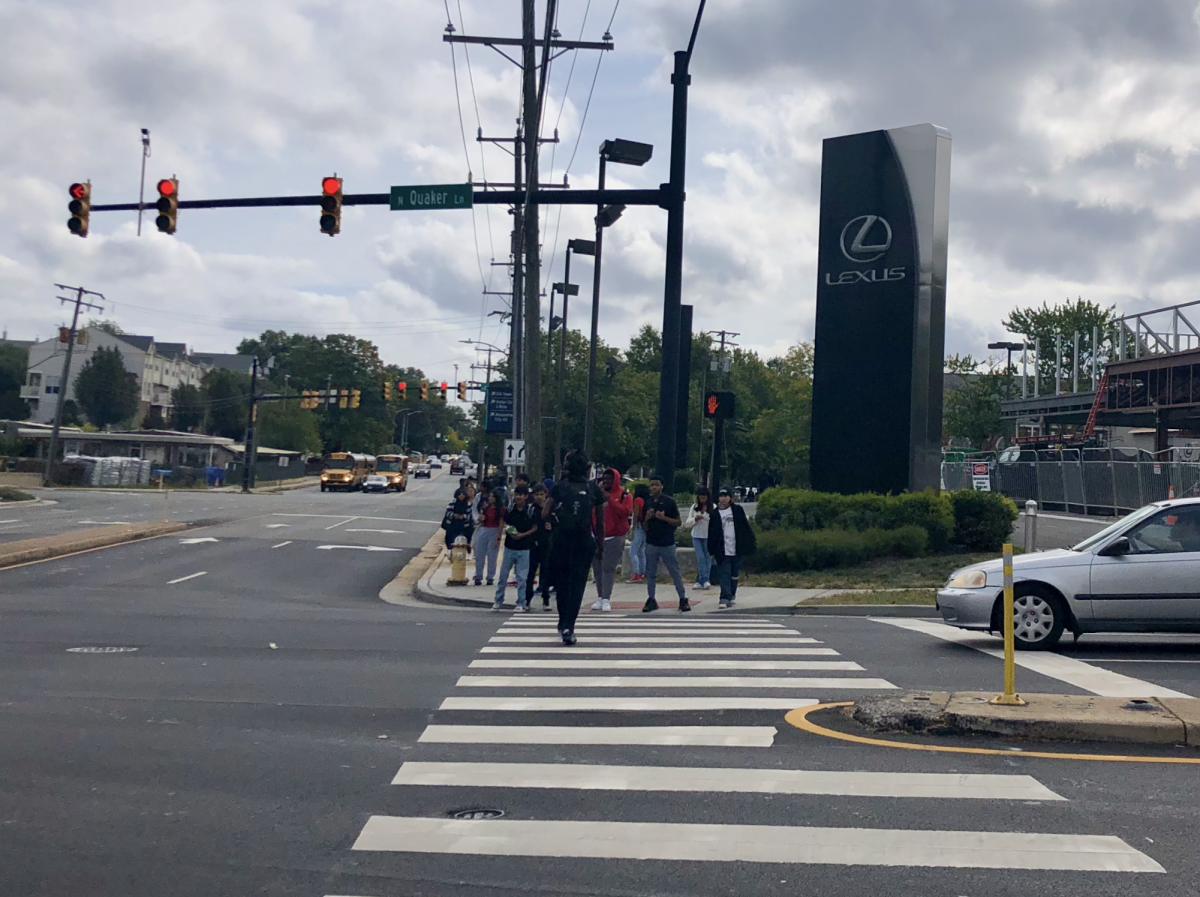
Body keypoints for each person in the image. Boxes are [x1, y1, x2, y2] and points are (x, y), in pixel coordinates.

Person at [544, 449, 606, 645]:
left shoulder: (559, 486)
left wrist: (555, 520)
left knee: (562, 584)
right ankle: (570, 625)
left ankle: (562, 621)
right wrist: (600, 545)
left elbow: (545, 512)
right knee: (577, 585)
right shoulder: (593, 489)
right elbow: (600, 522)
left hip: (562, 539)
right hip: (583, 542)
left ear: (566, 466)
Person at [641, 474, 689, 613]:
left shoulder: (669, 502)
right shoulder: (647, 502)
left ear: (662, 487)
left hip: (667, 542)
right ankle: (651, 599)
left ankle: (682, 598)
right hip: (651, 542)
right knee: (651, 573)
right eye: (652, 485)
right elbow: (644, 526)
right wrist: (647, 518)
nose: (654, 487)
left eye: (656, 484)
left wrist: (664, 518)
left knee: (674, 571)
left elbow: (678, 522)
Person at [591, 467, 632, 612]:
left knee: (608, 568)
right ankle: (600, 596)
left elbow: (626, 512)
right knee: (597, 569)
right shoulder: (597, 494)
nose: (606, 481)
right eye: (604, 478)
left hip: (615, 536)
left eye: (610, 478)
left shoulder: (624, 495)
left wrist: (611, 501)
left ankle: (607, 598)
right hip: (597, 536)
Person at [708, 487, 757, 608]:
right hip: (722, 549)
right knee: (724, 573)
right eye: (721, 496)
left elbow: (745, 528)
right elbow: (712, 533)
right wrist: (711, 549)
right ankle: (724, 597)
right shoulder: (715, 514)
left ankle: (732, 593)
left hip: (736, 547)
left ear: (730, 498)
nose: (723, 498)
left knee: (734, 574)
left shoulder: (737, 510)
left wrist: (750, 544)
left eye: (725, 496)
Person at [493, 485, 539, 611]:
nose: (518, 497)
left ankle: (521, 603)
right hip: (509, 547)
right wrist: (510, 532)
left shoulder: (530, 511)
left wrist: (522, 535)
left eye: (521, 495)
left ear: (526, 496)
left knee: (522, 578)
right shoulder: (509, 509)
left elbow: (535, 527)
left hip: (524, 548)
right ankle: (498, 601)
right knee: (503, 576)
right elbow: (505, 522)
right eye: (516, 494)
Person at [526, 483, 554, 611]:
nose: (539, 497)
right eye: (536, 494)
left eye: (541, 494)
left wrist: (551, 527)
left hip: (547, 544)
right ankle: (527, 599)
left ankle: (546, 599)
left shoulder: (550, 509)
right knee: (530, 573)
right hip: (533, 544)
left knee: (545, 573)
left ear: (546, 495)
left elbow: (557, 523)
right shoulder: (531, 509)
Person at [473, 488, 503, 586]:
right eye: (489, 496)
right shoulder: (486, 507)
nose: (490, 498)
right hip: (484, 529)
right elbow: (480, 520)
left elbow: (501, 524)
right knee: (479, 554)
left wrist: (498, 538)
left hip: (494, 530)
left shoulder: (500, 509)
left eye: (492, 497)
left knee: (492, 555)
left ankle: (490, 576)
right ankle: (478, 575)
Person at [686, 486, 713, 590]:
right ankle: (704, 579)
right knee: (700, 558)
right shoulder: (694, 507)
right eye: (700, 497)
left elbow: (714, 522)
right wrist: (695, 519)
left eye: (704, 497)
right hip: (696, 535)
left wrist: (705, 517)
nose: (702, 500)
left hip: (708, 536)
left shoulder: (713, 507)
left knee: (707, 558)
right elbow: (688, 522)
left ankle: (702, 580)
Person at [627, 482, 650, 583]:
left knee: (632, 551)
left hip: (639, 526)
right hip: (646, 527)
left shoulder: (637, 500)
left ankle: (636, 573)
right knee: (641, 551)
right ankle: (643, 573)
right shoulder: (647, 500)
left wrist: (633, 528)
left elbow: (635, 515)